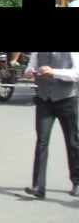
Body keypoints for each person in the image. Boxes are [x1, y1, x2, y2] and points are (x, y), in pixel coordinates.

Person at [22, 52, 79, 198]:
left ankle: (77, 181)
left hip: (66, 99)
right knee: (42, 141)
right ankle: (38, 186)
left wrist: (54, 72)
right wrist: (29, 72)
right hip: (44, 99)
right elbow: (31, 67)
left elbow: (77, 74)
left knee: (72, 141)